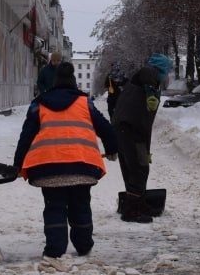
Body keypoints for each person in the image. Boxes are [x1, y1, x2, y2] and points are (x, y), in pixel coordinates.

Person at [11, 62, 119, 258]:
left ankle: (55, 249)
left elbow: (26, 135)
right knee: (81, 206)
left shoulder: (39, 103)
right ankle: (84, 245)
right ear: (73, 82)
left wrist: (17, 164)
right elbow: (105, 127)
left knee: (54, 207)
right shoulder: (85, 103)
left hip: (48, 167)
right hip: (82, 166)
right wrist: (112, 149)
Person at [113, 53, 172, 223]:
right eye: (166, 71)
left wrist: (146, 148)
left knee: (135, 166)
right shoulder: (148, 74)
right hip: (130, 128)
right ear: (160, 69)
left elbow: (146, 120)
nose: (166, 76)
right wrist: (151, 92)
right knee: (138, 167)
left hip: (129, 128)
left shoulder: (142, 83)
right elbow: (147, 74)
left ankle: (136, 203)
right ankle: (132, 210)